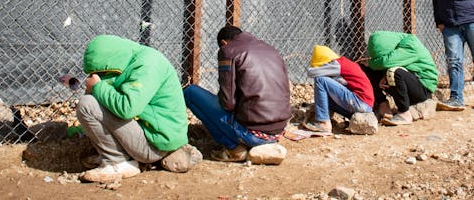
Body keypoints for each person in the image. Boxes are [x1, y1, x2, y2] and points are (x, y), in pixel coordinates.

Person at [76, 35, 199, 183]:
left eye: (101, 72)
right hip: (154, 135)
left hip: (156, 145)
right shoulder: (132, 60)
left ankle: (117, 163)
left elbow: (127, 108)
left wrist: (98, 86)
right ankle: (116, 155)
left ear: (109, 63)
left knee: (87, 104)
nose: (99, 76)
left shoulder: (147, 65)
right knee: (96, 99)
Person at [183, 25, 292, 162]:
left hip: (252, 134)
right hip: (278, 131)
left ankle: (233, 147)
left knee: (191, 92)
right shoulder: (270, 49)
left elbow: (228, 103)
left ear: (224, 43)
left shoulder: (228, 50)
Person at [363, 30, 438, 126]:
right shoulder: (396, 46)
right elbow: (385, 61)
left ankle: (404, 113)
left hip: (422, 88)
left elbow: (385, 62)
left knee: (393, 72)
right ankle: (383, 106)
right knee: (367, 69)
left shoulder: (410, 44)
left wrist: (372, 64)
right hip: (408, 80)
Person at [303, 45, 375, 133]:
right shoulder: (344, 64)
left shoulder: (337, 64)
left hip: (360, 101)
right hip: (365, 105)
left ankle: (323, 122)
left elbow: (312, 73)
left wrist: (317, 67)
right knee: (327, 97)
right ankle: (328, 118)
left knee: (320, 80)